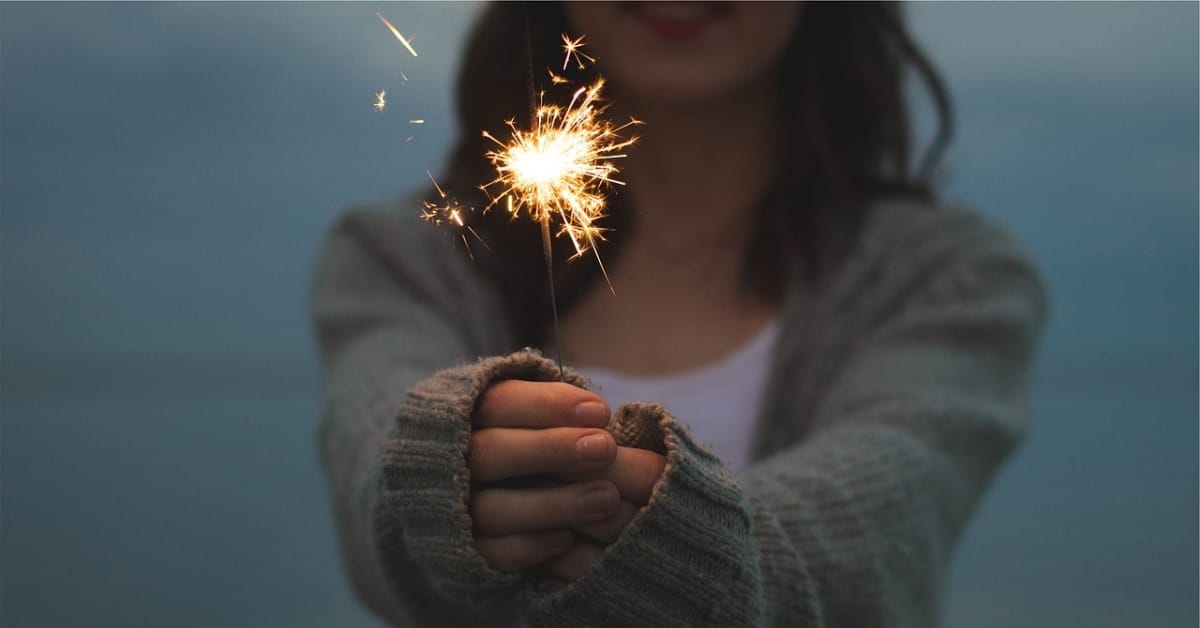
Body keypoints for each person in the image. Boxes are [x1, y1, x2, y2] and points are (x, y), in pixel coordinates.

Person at [312, 2, 1047, 626]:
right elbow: (375, 463)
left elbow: (883, 523)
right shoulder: (410, 255)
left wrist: (684, 541)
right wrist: (442, 477)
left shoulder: (945, 277)